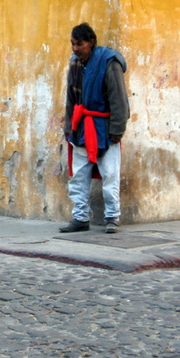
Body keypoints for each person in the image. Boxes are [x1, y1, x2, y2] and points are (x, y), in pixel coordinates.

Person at [60, 23, 130, 234]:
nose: (74, 48)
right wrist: (69, 125)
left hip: (105, 127)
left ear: (91, 42)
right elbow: (71, 98)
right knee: (79, 175)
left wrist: (117, 129)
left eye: (79, 44)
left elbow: (119, 99)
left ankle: (112, 217)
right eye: (72, 44)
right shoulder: (75, 64)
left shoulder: (109, 63)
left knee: (110, 174)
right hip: (81, 127)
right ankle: (80, 217)